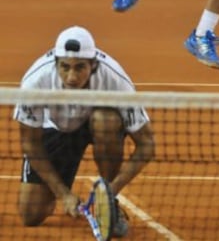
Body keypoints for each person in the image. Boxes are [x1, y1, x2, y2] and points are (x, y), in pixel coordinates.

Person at [13, 26, 155, 237]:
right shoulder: (35, 81)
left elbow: (147, 145)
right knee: (31, 214)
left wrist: (110, 192)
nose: (71, 77)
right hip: (56, 128)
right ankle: (54, 192)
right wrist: (64, 194)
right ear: (56, 63)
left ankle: (109, 205)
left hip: (97, 123)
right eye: (65, 67)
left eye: (80, 67)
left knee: (105, 120)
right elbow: (30, 144)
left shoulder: (115, 80)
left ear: (93, 65)